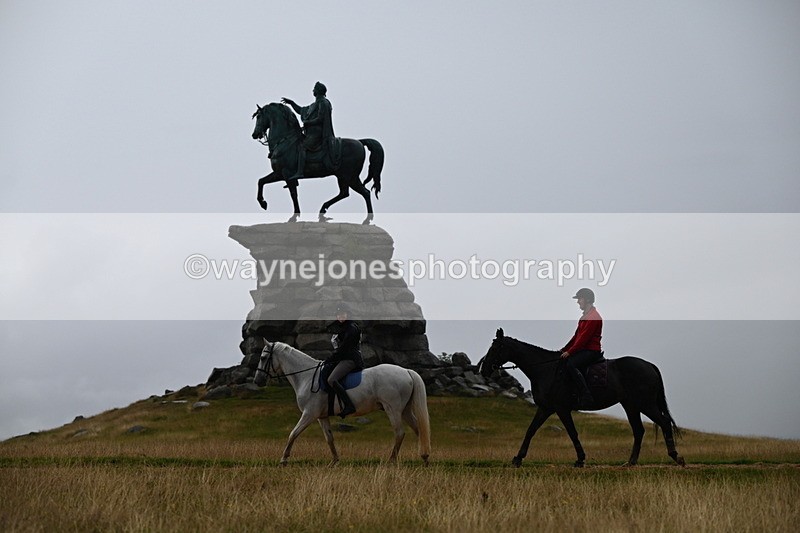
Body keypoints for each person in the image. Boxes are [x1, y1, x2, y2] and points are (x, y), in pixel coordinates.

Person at [281, 81, 335, 183]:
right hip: (310, 134)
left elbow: (320, 119)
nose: (313, 90)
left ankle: (300, 172)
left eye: (314, 89)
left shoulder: (323, 103)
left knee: (302, 147)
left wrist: (308, 123)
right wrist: (291, 103)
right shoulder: (314, 104)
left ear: (318, 91)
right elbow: (301, 110)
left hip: (318, 134)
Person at [560, 288, 603, 409]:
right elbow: (576, 337)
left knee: (571, 364)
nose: (578, 301)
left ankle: (586, 395)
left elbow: (583, 339)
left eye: (580, 298)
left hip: (591, 351)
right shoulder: (584, 317)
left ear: (587, 299)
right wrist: (564, 349)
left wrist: (570, 352)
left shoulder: (594, 317)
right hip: (584, 349)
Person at [326, 305, 363, 418]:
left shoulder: (351, 328)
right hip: (343, 357)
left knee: (332, 380)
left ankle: (349, 406)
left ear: (347, 315)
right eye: (338, 315)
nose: (340, 316)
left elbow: (344, 348)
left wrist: (331, 358)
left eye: (343, 314)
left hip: (350, 359)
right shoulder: (342, 328)